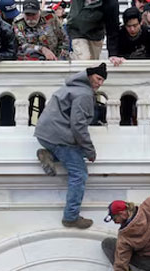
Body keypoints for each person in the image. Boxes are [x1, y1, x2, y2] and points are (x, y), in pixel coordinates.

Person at [34, 64, 106, 229]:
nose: (100, 83)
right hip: (59, 136)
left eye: (102, 80)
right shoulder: (84, 94)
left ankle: (50, 155)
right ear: (89, 76)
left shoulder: (72, 86)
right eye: (98, 78)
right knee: (79, 174)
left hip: (45, 134)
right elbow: (78, 126)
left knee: (74, 153)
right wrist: (90, 151)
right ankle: (71, 217)